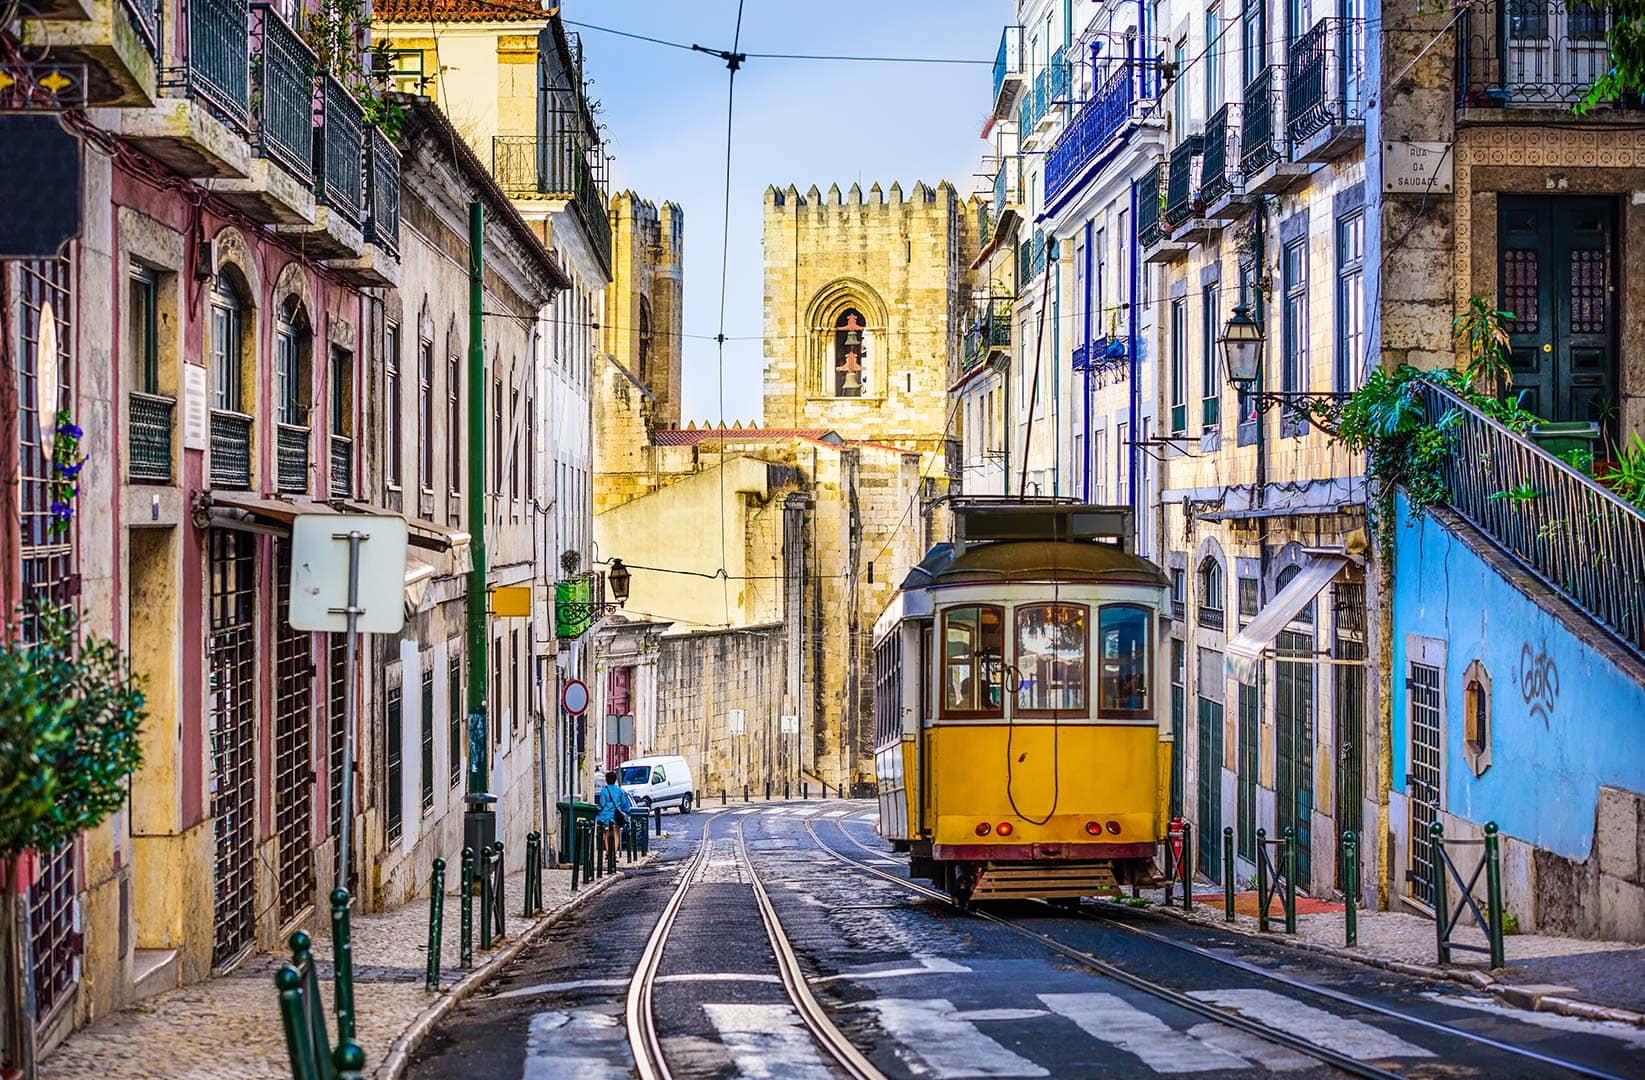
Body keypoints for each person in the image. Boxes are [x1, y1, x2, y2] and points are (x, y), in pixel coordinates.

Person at [595, 769, 634, 867]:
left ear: (606, 780)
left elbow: (602, 804)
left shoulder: (604, 790)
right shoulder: (619, 790)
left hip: (606, 815)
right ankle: (614, 854)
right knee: (616, 834)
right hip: (616, 815)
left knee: (607, 835)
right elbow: (624, 803)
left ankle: (609, 854)